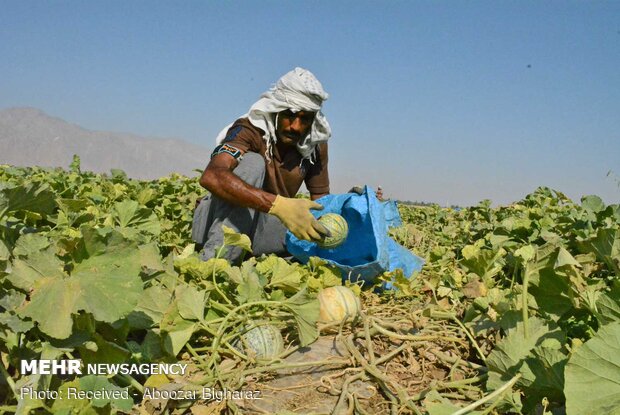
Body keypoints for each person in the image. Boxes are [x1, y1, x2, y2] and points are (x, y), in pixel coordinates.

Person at [192, 67, 332, 263]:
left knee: (313, 232)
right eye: (290, 115)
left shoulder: (314, 146)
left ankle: (254, 259)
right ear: (276, 110)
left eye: (305, 119)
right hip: (220, 225)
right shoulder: (249, 129)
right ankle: (214, 264)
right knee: (252, 163)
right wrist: (278, 205)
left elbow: (322, 201)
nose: (296, 126)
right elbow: (212, 176)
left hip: (262, 228)